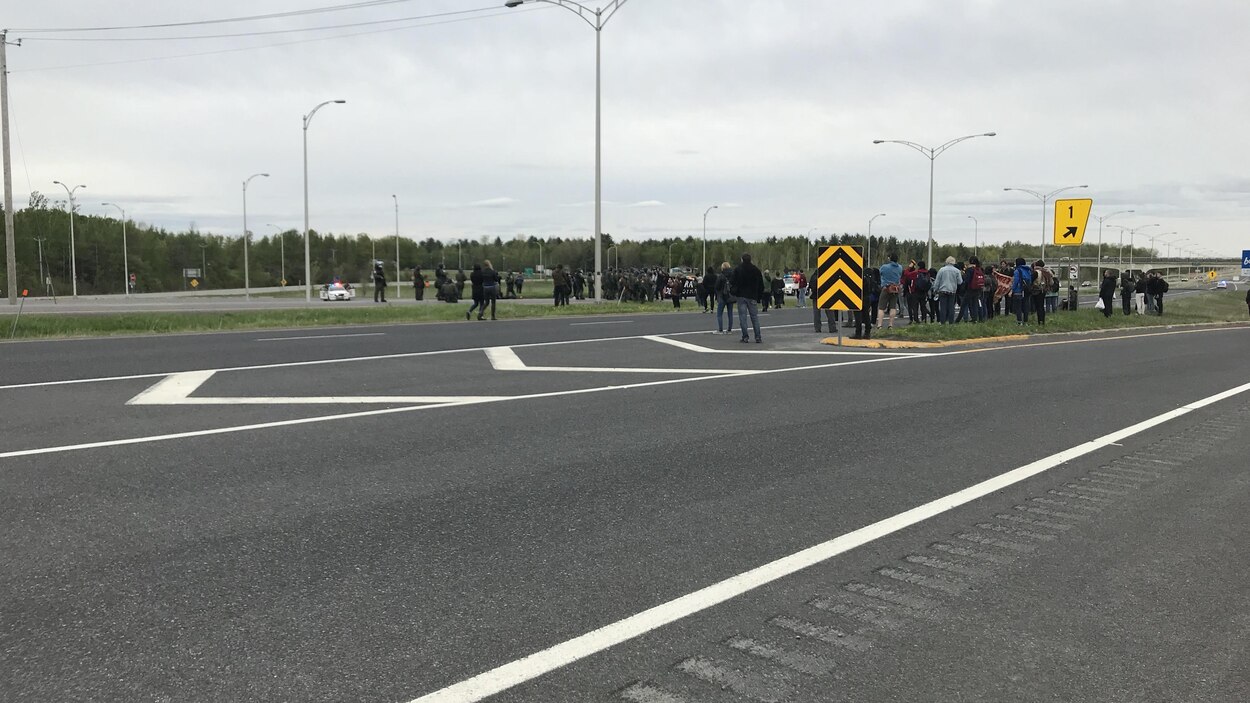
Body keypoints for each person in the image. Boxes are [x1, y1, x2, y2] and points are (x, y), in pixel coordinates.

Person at [731, 253, 765, 343]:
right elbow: (761, 285)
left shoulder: (738, 269)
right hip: (752, 295)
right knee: (754, 317)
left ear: (742, 259)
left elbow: (732, 282)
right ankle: (758, 337)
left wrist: (734, 291)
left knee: (743, 317)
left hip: (741, 295)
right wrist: (759, 296)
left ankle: (745, 336)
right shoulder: (756, 270)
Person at [878, 253, 904, 329]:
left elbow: (880, 273)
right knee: (893, 307)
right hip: (895, 289)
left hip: (886, 288)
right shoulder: (900, 267)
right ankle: (890, 325)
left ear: (890, 258)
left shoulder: (884, 267)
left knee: (881, 308)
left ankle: (880, 325)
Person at [932, 257, 961, 324]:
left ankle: (943, 322)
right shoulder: (957, 271)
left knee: (943, 308)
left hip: (942, 290)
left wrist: (935, 289)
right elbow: (960, 282)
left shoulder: (941, 270)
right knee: (951, 308)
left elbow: (937, 281)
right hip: (952, 291)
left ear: (946, 262)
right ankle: (951, 322)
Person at [714, 261, 736, 334]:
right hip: (730, 296)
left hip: (722, 296)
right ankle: (729, 330)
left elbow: (717, 286)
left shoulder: (721, 276)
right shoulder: (733, 275)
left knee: (719, 314)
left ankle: (720, 329)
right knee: (730, 313)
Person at [1011, 257, 1033, 325]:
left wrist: (1012, 290)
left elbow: (1016, 282)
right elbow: (1030, 280)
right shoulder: (1028, 270)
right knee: (1026, 307)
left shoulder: (1017, 271)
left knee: (1018, 307)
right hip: (1027, 290)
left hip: (1018, 291)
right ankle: (1026, 321)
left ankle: (1019, 321)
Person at [964, 256, 986, 322]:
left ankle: (973, 318)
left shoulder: (969, 269)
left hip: (971, 289)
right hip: (979, 288)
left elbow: (967, 280)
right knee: (977, 304)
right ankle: (980, 318)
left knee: (969, 304)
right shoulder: (980, 269)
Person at [1030, 260, 1051, 325]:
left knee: (1038, 306)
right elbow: (1051, 282)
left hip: (1037, 290)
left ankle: (1039, 321)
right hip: (1044, 290)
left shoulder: (1036, 272)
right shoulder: (1046, 272)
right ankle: (1042, 321)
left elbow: (1031, 280)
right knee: (1041, 306)